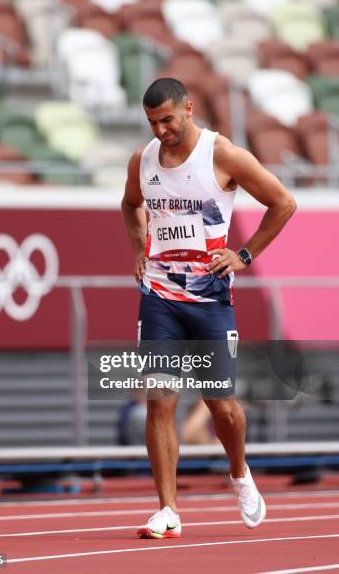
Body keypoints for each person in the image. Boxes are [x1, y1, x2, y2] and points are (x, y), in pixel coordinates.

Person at [121, 78, 296, 540]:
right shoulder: (142, 160)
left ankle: (239, 472)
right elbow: (129, 203)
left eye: (168, 121)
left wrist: (245, 255)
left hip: (209, 298)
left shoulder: (223, 155)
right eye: (152, 123)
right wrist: (140, 246)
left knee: (222, 407)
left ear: (189, 109)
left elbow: (283, 202)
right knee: (160, 401)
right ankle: (168, 508)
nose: (161, 131)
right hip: (158, 297)